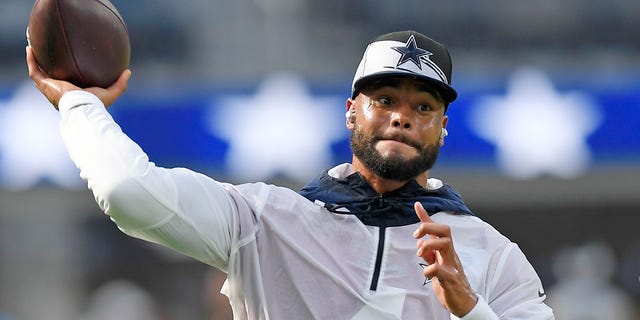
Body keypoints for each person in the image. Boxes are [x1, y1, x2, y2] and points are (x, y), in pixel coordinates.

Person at [26, 30, 555, 319]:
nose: (401, 116)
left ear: (442, 127)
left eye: (423, 106)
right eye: (386, 99)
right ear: (351, 111)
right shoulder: (265, 220)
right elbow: (128, 192)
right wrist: (78, 106)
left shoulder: (490, 255)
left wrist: (470, 309)